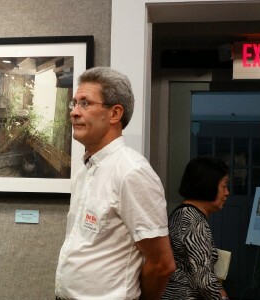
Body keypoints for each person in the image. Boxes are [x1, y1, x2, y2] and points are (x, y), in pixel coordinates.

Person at [55, 66, 175, 300]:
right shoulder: (85, 170)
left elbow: (162, 264)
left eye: (85, 103)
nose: (74, 112)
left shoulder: (132, 172)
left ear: (114, 114)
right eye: (74, 103)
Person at [161, 157, 230, 300]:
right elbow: (204, 282)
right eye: (224, 186)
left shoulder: (185, 214)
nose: (227, 193)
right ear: (207, 186)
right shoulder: (193, 221)